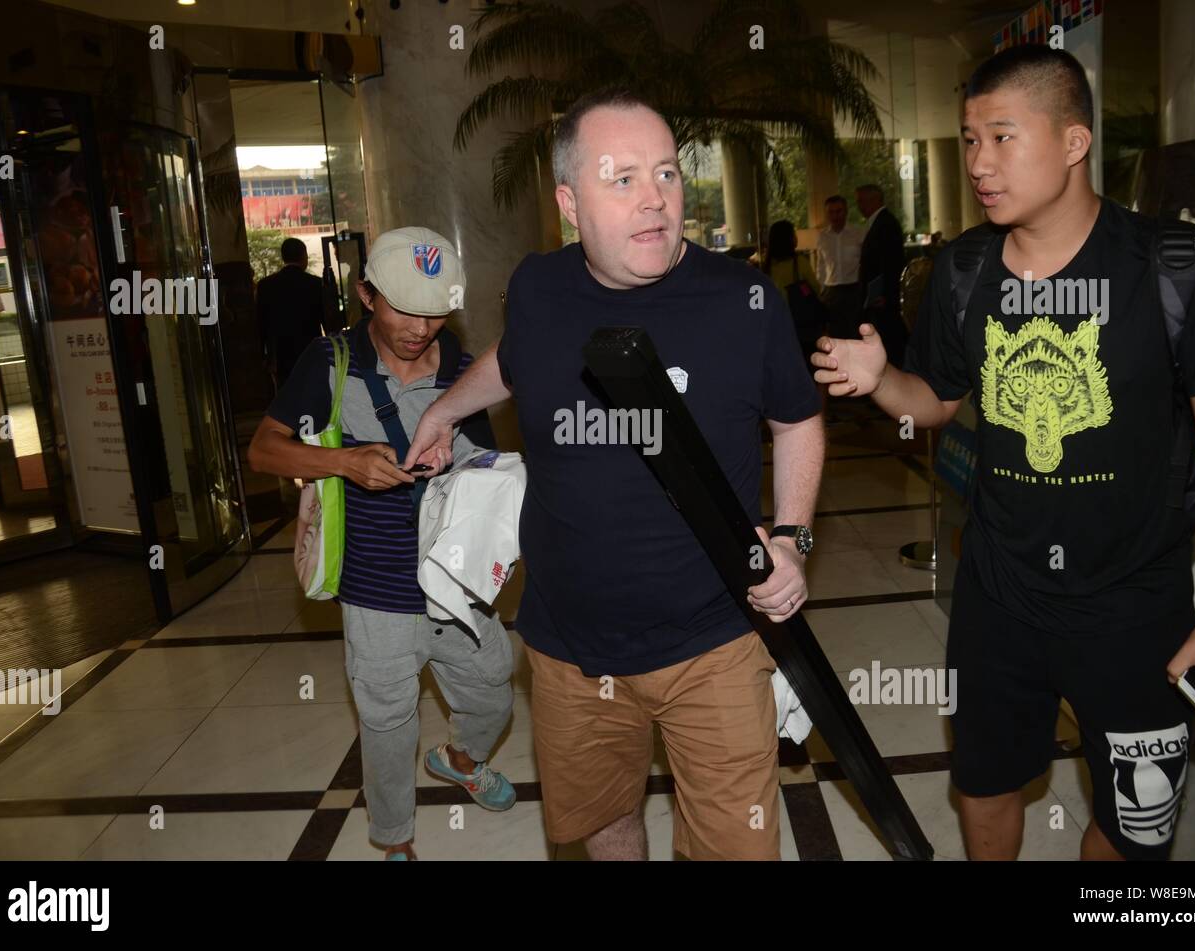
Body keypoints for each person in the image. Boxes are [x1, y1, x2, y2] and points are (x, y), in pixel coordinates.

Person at [813, 45, 1195, 861]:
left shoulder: (1172, 266)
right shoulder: (965, 270)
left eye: (1001, 137)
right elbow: (937, 400)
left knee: (1136, 829)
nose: (979, 163)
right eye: (969, 139)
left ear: (1074, 142)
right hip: (1000, 591)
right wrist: (883, 380)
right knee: (983, 787)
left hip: (1136, 603)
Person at [406, 87, 824, 861]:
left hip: (716, 636)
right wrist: (441, 411)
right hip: (571, 646)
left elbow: (796, 418)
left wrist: (794, 535)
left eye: (666, 174)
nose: (656, 200)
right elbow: (514, 357)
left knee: (738, 847)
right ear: (569, 201)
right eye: (622, 178)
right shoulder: (538, 285)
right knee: (602, 823)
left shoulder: (744, 298)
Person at [246, 226, 517, 861]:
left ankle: (460, 758)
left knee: (494, 686)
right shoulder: (330, 363)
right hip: (374, 587)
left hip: (456, 580)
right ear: (367, 294)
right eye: (403, 307)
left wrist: (465, 458)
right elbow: (263, 450)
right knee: (388, 722)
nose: (420, 326)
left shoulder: (461, 367)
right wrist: (344, 462)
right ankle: (395, 842)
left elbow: (484, 462)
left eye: (434, 310)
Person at [256, 237, 326, 390]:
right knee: (312, 391)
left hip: (281, 354)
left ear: (283, 257)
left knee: (287, 395)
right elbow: (327, 320)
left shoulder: (266, 286)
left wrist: (264, 355)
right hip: (310, 350)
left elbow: (261, 324)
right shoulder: (315, 284)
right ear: (304, 256)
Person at [856, 183, 909, 366]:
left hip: (883, 300)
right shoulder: (880, 223)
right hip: (879, 298)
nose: (859, 206)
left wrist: (884, 293)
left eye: (861, 201)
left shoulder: (886, 224)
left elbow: (891, 263)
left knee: (889, 345)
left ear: (874, 200)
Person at [763, 219, 826, 366]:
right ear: (789, 239)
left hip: (777, 327)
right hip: (802, 326)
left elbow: (759, 301)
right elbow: (816, 289)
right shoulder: (800, 263)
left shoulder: (766, 268)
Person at [814, 195, 865, 339]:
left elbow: (865, 262)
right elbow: (821, 266)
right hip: (831, 291)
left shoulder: (858, 234)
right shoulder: (822, 237)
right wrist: (822, 290)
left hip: (853, 289)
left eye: (839, 211)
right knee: (835, 334)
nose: (835, 216)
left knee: (855, 331)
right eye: (831, 212)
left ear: (846, 212)